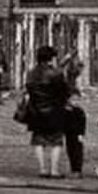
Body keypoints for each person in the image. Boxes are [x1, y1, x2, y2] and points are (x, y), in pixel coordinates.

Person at [25, 44, 71, 178]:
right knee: (56, 141)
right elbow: (64, 91)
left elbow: (29, 89)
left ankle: (42, 169)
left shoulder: (31, 73)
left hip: (36, 109)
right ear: (51, 58)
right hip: (54, 110)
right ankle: (54, 170)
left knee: (39, 140)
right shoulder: (55, 73)